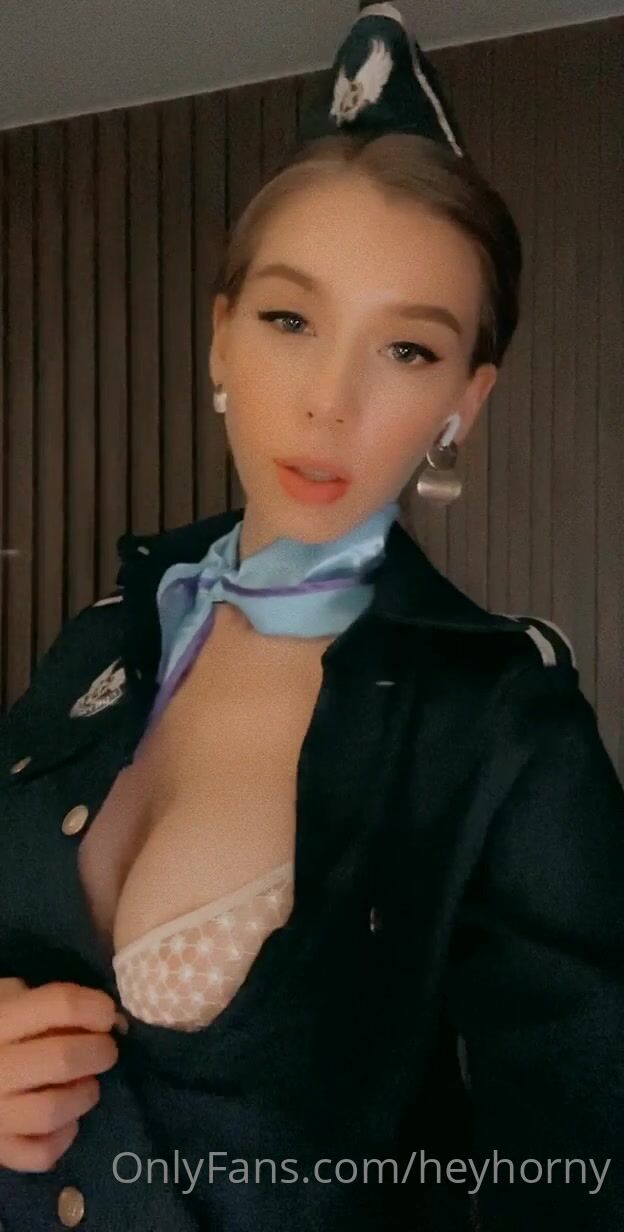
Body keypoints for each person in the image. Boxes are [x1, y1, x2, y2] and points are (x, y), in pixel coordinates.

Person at [0, 3, 623, 1229]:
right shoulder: (111, 626)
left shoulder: (500, 724)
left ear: (465, 402)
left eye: (407, 350)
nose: (330, 401)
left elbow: (579, 1173)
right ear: (219, 335)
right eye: (290, 319)